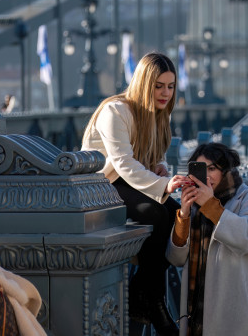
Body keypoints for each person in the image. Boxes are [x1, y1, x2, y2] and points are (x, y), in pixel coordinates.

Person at [82, 52, 189, 336]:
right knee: (157, 213)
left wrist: (161, 169)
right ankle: (152, 300)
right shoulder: (114, 111)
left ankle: (145, 294)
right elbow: (122, 163)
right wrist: (161, 185)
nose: (166, 92)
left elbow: (157, 155)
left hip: (127, 186)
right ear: (144, 83)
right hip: (98, 188)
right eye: (158, 86)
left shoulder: (157, 114)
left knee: (173, 212)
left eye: (170, 85)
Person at [167, 143, 248, 336]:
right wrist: (184, 215)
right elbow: (176, 258)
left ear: (226, 170)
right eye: (201, 169)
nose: (207, 176)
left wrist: (211, 206)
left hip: (240, 313)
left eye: (212, 169)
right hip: (199, 312)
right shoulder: (195, 207)